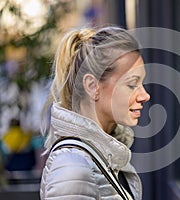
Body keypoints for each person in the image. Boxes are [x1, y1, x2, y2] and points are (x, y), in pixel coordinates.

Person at [40, 26, 150, 200]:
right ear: (92, 86)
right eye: (132, 84)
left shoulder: (103, 156)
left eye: (142, 83)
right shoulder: (73, 168)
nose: (145, 95)